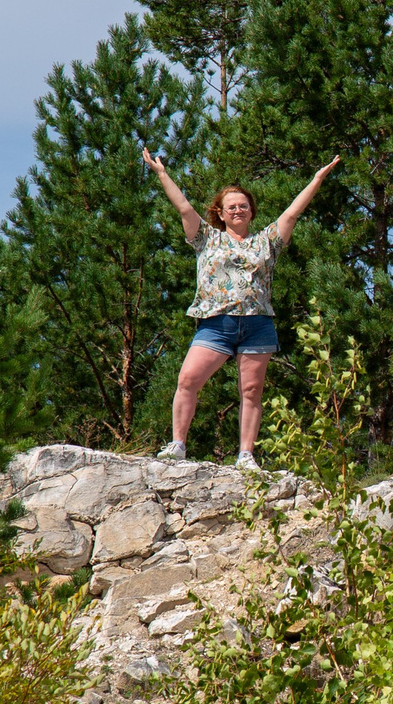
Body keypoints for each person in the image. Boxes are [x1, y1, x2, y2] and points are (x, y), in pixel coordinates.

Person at [143, 149, 340, 467]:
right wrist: (162, 173)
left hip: (257, 325)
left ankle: (246, 455)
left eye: (243, 206)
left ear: (251, 212)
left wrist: (317, 178)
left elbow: (291, 214)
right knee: (188, 380)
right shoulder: (205, 238)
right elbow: (183, 206)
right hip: (216, 323)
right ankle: (178, 444)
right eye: (231, 206)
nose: (238, 210)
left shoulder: (266, 242)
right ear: (220, 213)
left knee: (251, 391)